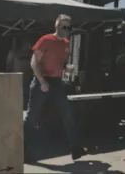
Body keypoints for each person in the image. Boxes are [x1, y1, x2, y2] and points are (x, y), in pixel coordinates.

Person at [24, 14, 86, 162]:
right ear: (56, 26)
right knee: (32, 116)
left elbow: (60, 63)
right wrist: (42, 81)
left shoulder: (66, 43)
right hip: (42, 81)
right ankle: (24, 151)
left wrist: (67, 67)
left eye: (68, 27)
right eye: (63, 26)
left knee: (68, 113)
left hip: (57, 82)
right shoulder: (45, 40)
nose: (66, 30)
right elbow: (34, 62)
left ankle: (75, 148)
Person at [6, 37, 33, 109]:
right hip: (17, 79)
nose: (28, 45)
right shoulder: (14, 53)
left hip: (27, 79)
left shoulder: (31, 54)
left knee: (26, 96)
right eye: (26, 44)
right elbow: (9, 65)